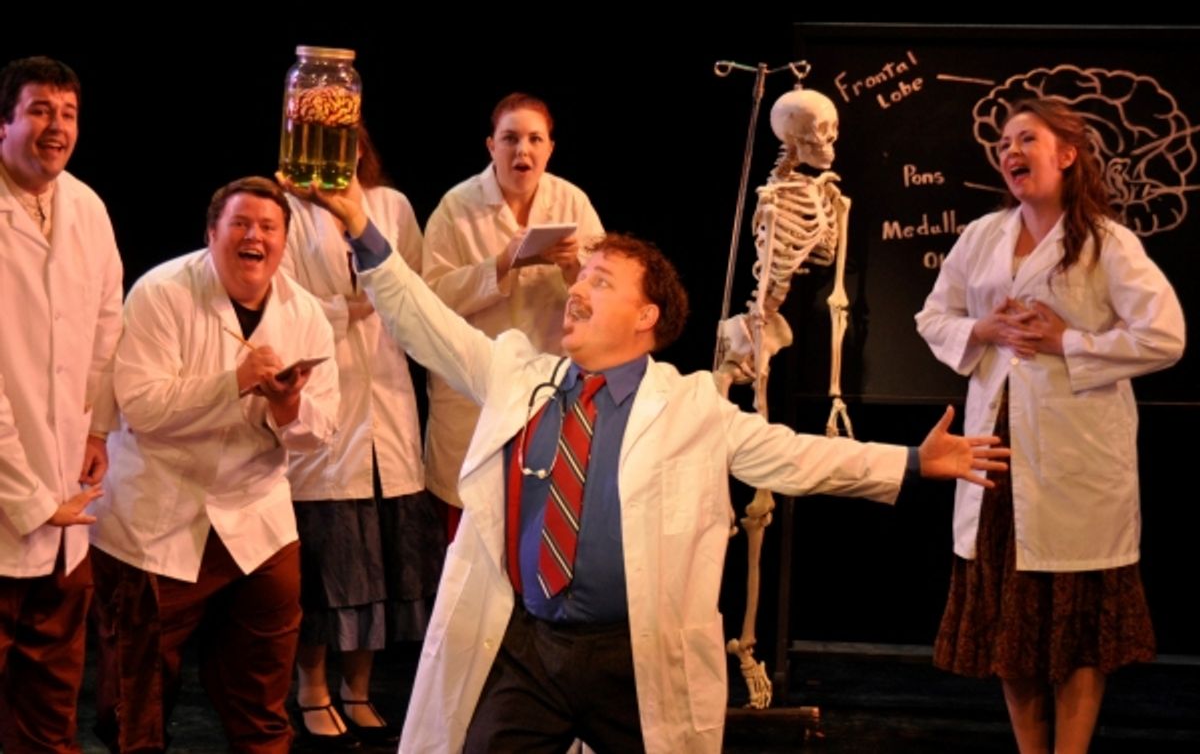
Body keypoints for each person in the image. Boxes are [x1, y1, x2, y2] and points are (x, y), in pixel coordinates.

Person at [280, 173, 1008, 753]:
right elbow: (422, 319)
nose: (577, 291)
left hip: (632, 658)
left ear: (646, 316)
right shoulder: (514, 372)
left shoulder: (690, 407)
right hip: (527, 647)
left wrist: (912, 462)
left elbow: (796, 457)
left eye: (600, 282)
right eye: (579, 279)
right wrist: (360, 226)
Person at [915, 97, 1185, 754]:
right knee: (1014, 622)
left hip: (1077, 462)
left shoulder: (1106, 243)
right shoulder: (982, 237)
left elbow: (1165, 336)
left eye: (1025, 138)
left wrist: (1071, 342)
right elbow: (932, 317)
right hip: (997, 459)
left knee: (1077, 623)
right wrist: (982, 328)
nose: (1010, 151)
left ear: (1066, 154)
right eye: (1003, 142)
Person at [89, 176, 339, 753]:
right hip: (159, 519)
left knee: (262, 693)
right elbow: (143, 407)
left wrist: (287, 407)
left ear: (284, 243)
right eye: (241, 225)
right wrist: (234, 383)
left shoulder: (306, 314)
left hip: (258, 518)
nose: (255, 237)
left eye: (269, 228)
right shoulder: (162, 292)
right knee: (136, 702)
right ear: (212, 234)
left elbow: (323, 430)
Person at [280, 126, 442, 747]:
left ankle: (358, 689)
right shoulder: (288, 209)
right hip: (326, 400)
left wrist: (385, 304)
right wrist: (347, 310)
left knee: (380, 562)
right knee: (329, 565)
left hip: (390, 404)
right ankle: (312, 689)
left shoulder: (393, 206)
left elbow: (417, 292)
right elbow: (279, 298)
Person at [0, 55, 123, 753]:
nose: (57, 127)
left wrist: (100, 425)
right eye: (41, 110)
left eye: (68, 114)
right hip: (14, 499)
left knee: (50, 713)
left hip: (66, 508)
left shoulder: (86, 208)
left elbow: (109, 325)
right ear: (5, 121)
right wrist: (28, 496)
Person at [422, 92, 604, 534]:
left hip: (546, 387)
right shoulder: (456, 207)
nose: (522, 150)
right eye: (510, 138)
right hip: (471, 395)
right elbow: (430, 301)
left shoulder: (572, 203)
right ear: (491, 146)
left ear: (549, 149)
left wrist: (572, 268)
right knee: (469, 536)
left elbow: (605, 296)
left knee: (540, 528)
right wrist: (502, 263)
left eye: (534, 139)